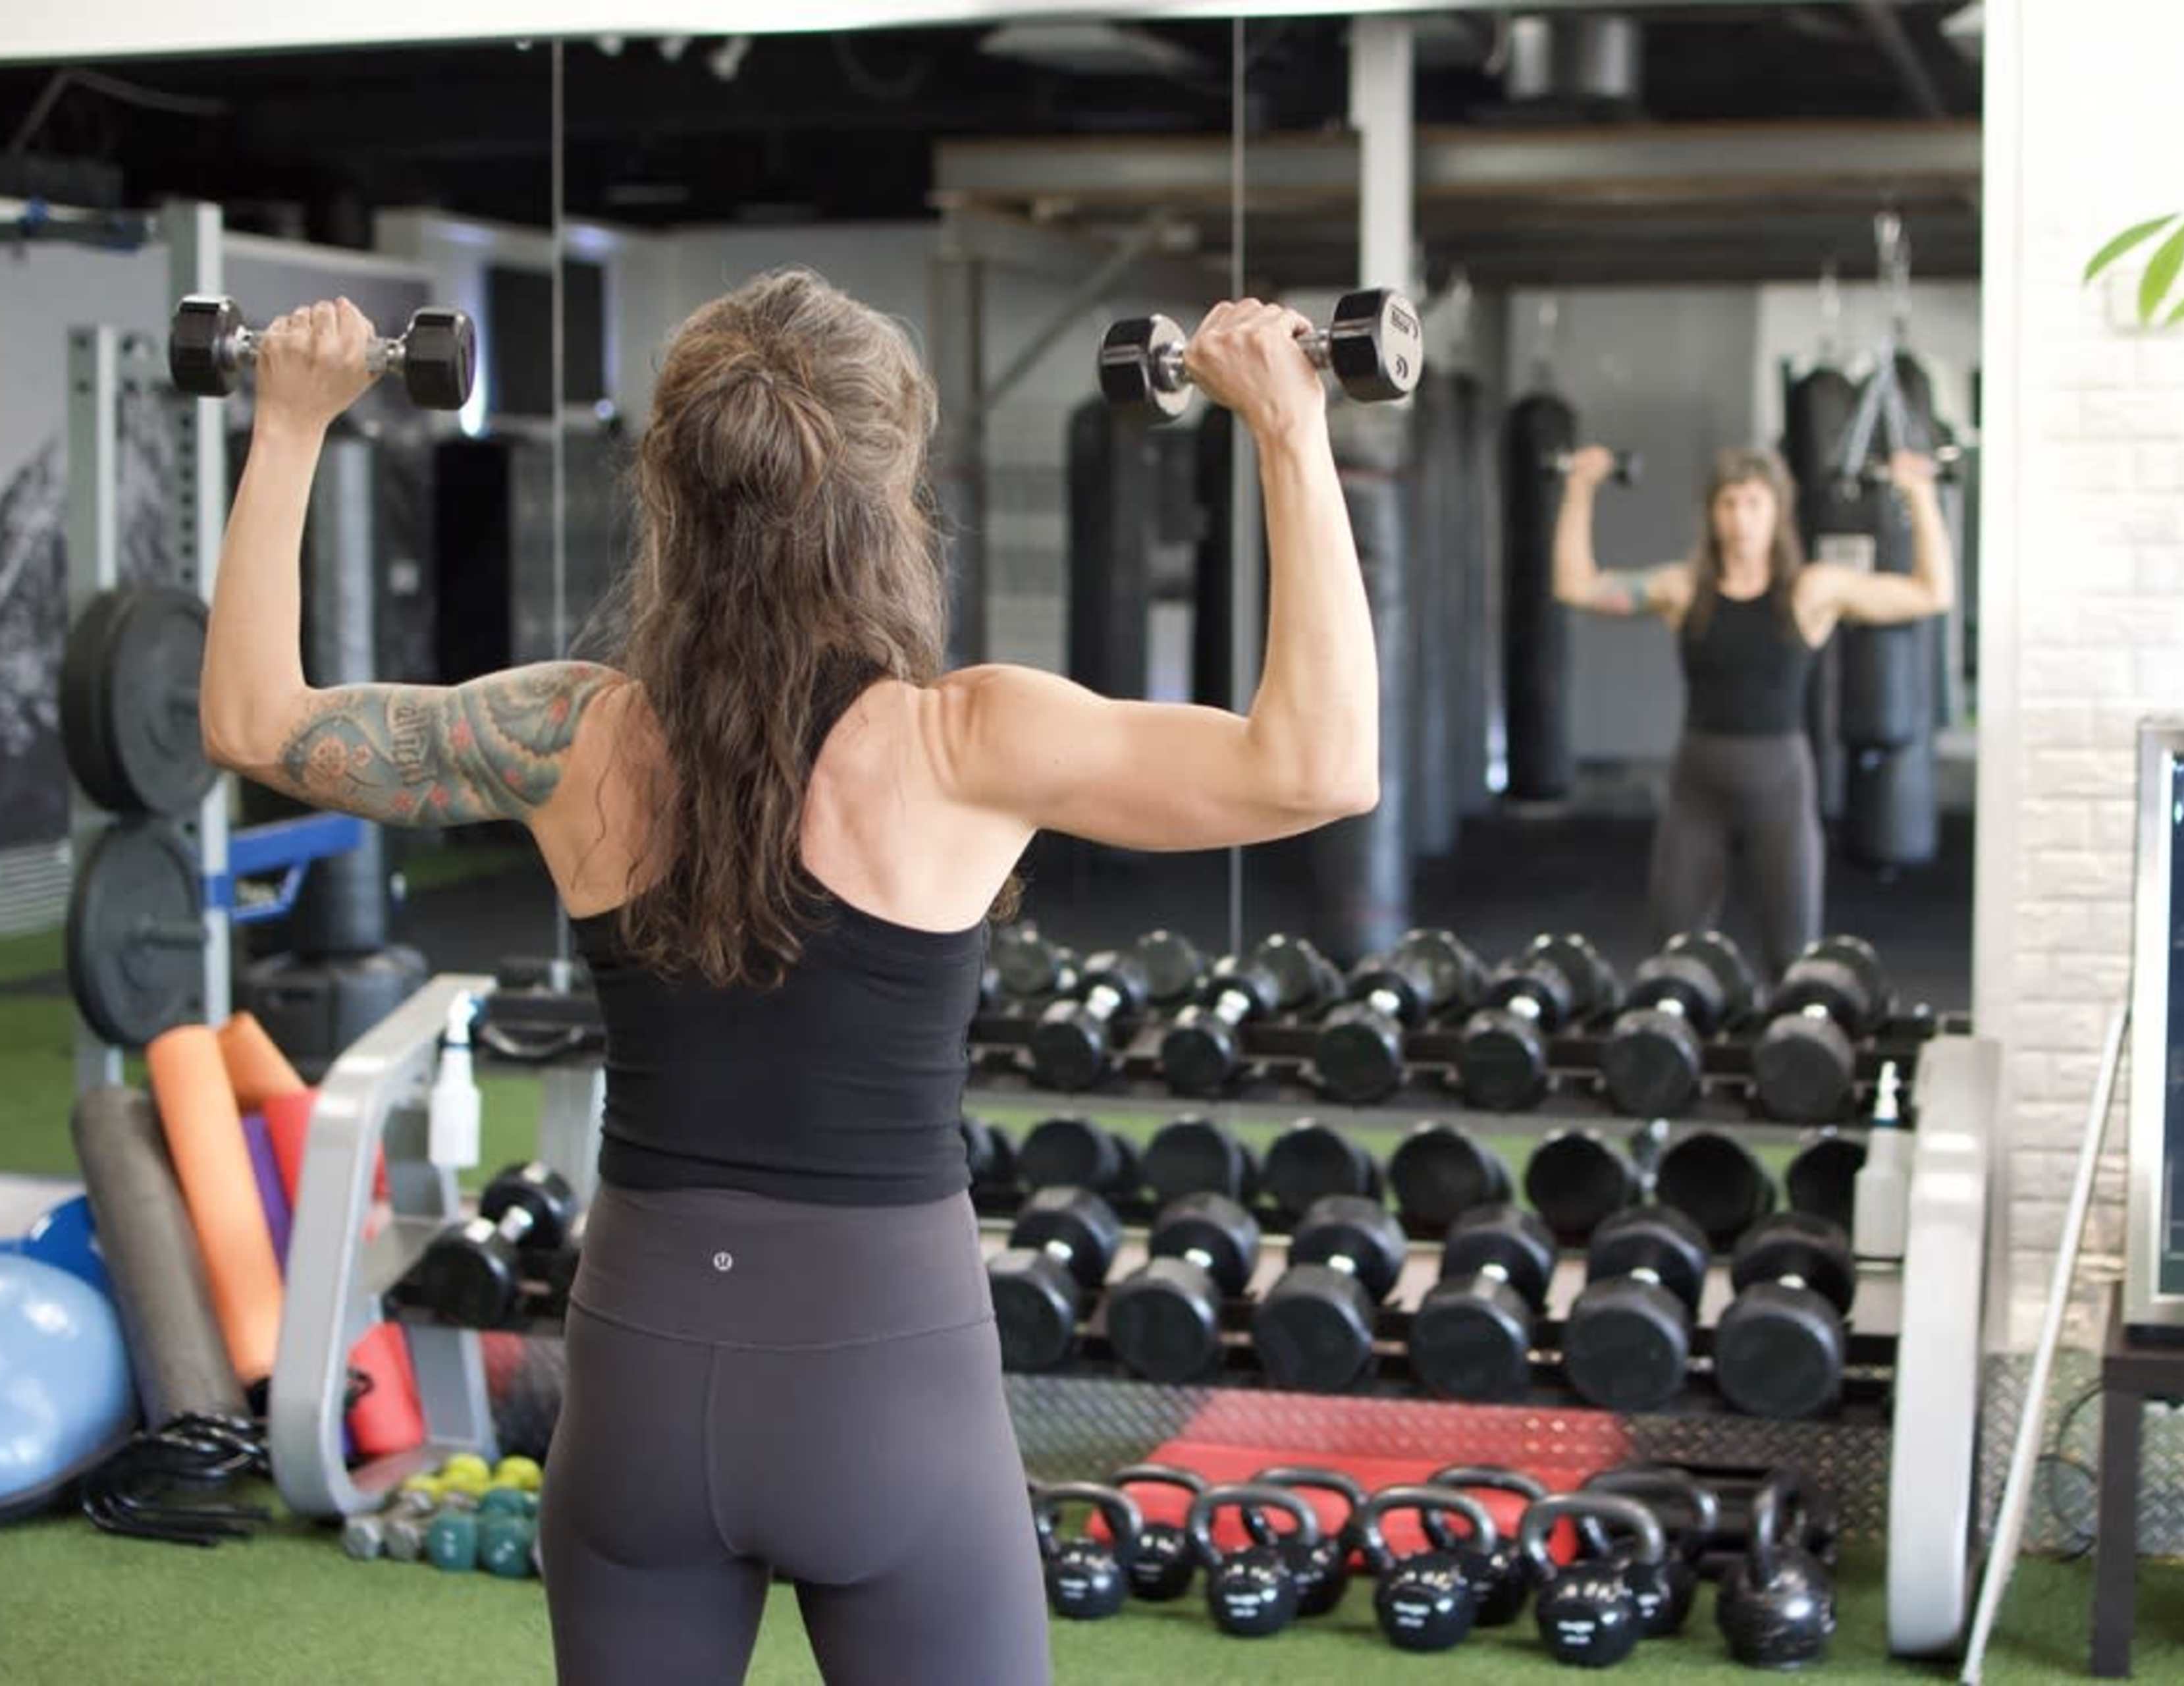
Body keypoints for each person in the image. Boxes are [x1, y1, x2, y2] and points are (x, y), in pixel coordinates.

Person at [198, 275, 1377, 1684]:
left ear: (670, 491)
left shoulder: (567, 734)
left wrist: (287, 420)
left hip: (635, 1378)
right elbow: (1319, 765)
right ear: (893, 489)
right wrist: (1290, 432)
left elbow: (251, 719)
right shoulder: (965, 740)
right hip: (887, 1387)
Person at [1550, 444, 1951, 977]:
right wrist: (1579, 489)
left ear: (1777, 512)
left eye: (1755, 504)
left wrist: (1920, 494)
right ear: (1713, 515)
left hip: (1780, 791)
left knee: (1792, 962)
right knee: (1672, 958)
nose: (1741, 520)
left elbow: (1932, 594)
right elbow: (1574, 586)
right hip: (1697, 792)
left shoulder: (1812, 591)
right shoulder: (1684, 589)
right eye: (1730, 504)